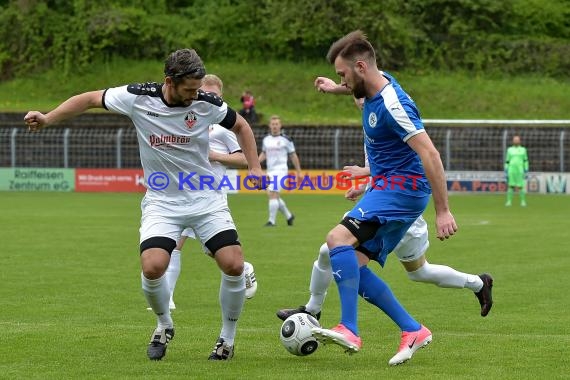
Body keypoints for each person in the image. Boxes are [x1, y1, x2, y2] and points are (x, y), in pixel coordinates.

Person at [24, 49, 264, 362]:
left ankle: (226, 341)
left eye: (198, 88)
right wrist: (48, 117)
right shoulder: (137, 97)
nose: (195, 96)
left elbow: (242, 126)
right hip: (162, 202)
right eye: (189, 90)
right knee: (153, 267)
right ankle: (164, 325)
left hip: (206, 198)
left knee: (233, 264)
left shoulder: (207, 103)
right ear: (170, 82)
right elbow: (88, 99)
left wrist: (255, 168)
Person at [303, 30, 464, 361]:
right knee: (351, 267)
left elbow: (430, 155)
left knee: (336, 240)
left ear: (360, 67)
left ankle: (349, 327)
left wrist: (443, 210)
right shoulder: (374, 84)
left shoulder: (394, 104)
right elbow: (361, 94)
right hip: (388, 184)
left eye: (343, 75)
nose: (342, 81)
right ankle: (412, 329)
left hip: (403, 189)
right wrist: (337, 89)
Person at [162, 74, 258, 312]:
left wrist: (215, 156)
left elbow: (243, 158)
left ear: (221, 97)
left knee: (217, 253)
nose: (210, 99)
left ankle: (244, 268)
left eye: (216, 96)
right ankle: (168, 297)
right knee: (174, 245)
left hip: (210, 197)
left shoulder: (223, 128)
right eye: (207, 93)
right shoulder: (185, 120)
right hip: (181, 193)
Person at [258, 115, 302, 227]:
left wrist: (299, 172)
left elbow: (293, 155)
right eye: (273, 124)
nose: (275, 126)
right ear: (269, 126)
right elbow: (264, 153)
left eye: (277, 124)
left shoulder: (286, 139)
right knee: (273, 196)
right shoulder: (266, 139)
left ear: (280, 125)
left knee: (273, 194)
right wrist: (255, 165)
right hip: (269, 171)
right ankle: (289, 216)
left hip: (281, 170)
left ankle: (271, 221)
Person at [505, 135, 529, 207]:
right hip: (511, 170)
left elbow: (525, 160)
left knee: (521, 186)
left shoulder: (523, 149)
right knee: (510, 186)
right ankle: (509, 202)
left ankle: (523, 201)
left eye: (517, 140)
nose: (516, 141)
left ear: (519, 141)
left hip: (520, 170)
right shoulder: (509, 150)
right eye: (514, 140)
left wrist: (526, 169)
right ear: (513, 141)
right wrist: (506, 169)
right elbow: (507, 161)